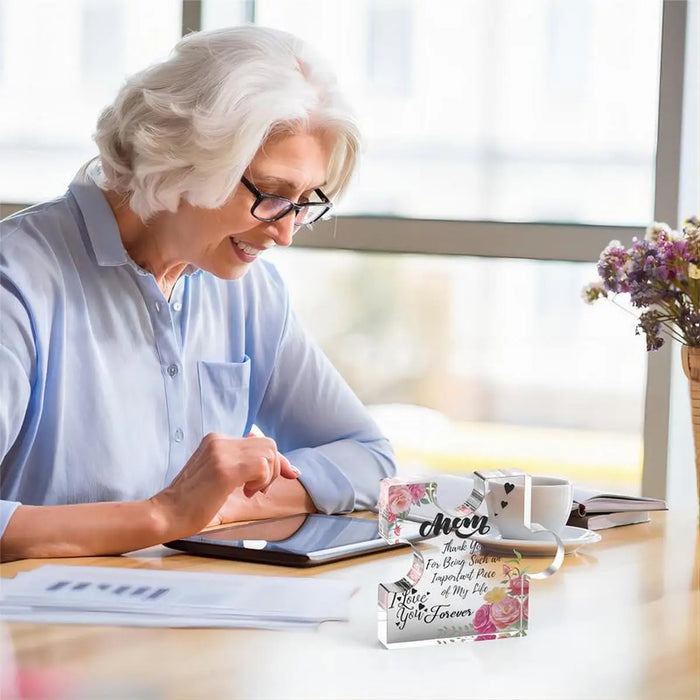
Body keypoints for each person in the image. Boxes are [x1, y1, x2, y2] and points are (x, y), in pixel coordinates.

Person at [0, 26, 396, 561]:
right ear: (182, 156)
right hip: (37, 638)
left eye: (305, 201)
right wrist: (165, 515)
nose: (285, 232)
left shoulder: (249, 293)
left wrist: (225, 505)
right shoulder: (19, 281)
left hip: (191, 625)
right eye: (273, 195)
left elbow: (367, 457)